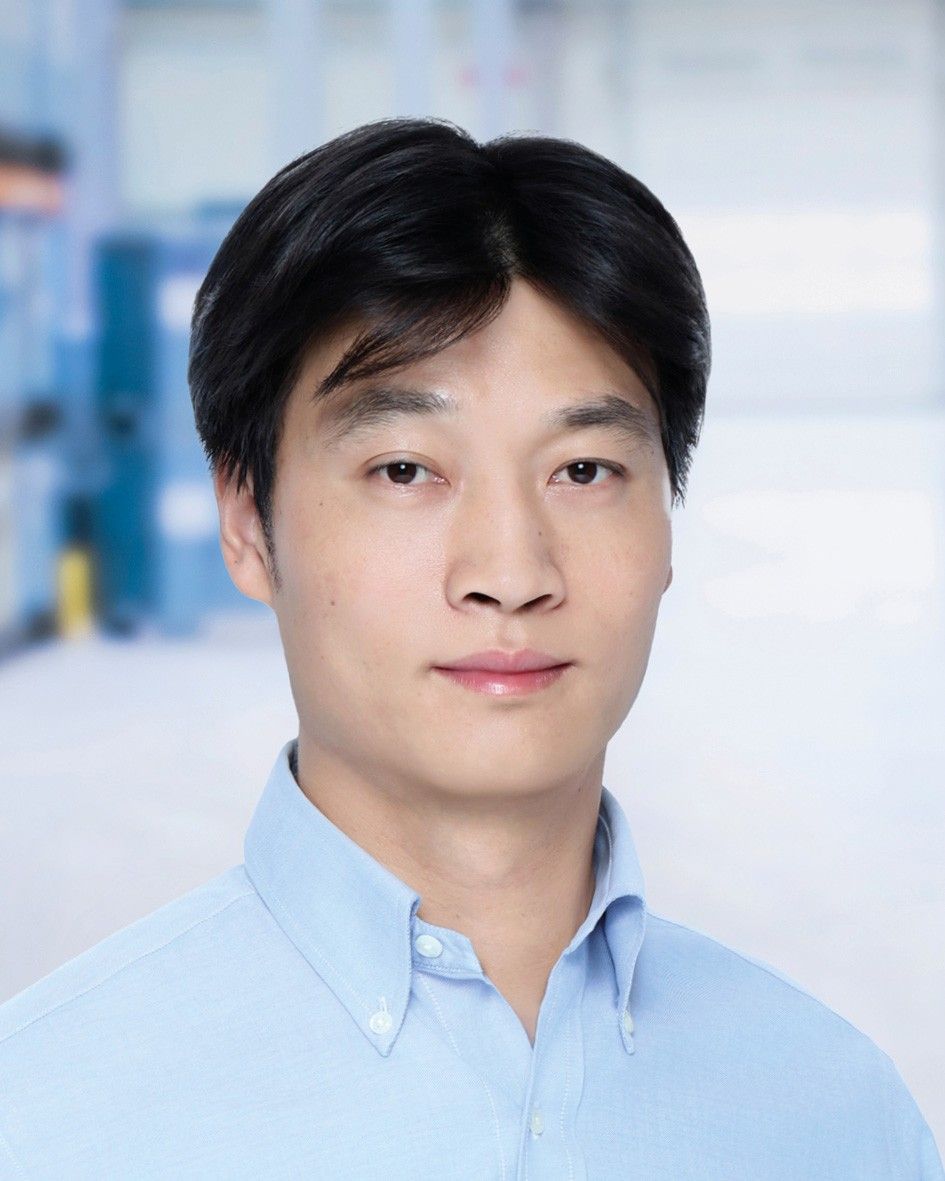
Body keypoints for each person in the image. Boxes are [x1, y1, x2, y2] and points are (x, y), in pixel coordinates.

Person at [0, 115, 941, 1180]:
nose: (510, 568)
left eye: (583, 470)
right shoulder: (46, 1115)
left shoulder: (836, 1115)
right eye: (407, 469)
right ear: (249, 523)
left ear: (668, 522)